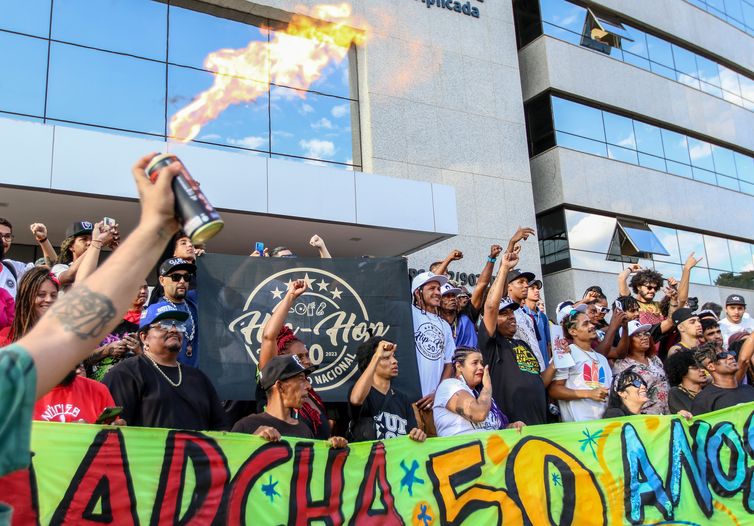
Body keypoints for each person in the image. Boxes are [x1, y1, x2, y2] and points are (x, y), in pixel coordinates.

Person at [0, 152, 185, 487]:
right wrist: (154, 228)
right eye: (41, 297)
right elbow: (77, 324)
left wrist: (157, 227)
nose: (49, 303)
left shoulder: (91, 390)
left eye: (53, 297)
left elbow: (77, 323)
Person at [103, 302, 227, 431]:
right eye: (165, 325)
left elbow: (220, 427)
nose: (174, 330)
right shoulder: (124, 374)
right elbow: (112, 430)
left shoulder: (199, 378)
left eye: (179, 325)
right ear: (144, 337)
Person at [480, 250, 555, 425]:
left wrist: (556, 361)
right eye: (503, 314)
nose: (511, 316)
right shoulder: (491, 344)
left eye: (512, 312)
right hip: (513, 426)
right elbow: (490, 307)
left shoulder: (523, 344)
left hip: (540, 424)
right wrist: (504, 268)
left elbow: (540, 380)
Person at [257, 279, 331, 439]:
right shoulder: (272, 377)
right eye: (299, 357)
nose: (306, 360)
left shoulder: (310, 394)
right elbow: (269, 337)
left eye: (306, 355)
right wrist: (291, 296)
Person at [232, 355, 348, 447]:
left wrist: (331, 451)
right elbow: (229, 468)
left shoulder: (304, 430)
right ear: (280, 386)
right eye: (301, 379)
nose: (308, 386)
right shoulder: (246, 426)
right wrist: (252, 442)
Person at [433, 347, 524, 436]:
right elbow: (479, 414)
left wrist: (512, 426)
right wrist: (487, 387)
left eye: (482, 363)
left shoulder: (482, 396)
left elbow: (495, 428)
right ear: (459, 366)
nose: (481, 367)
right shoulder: (449, 386)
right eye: (475, 363)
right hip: (463, 449)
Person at [348, 338, 425, 441]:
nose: (394, 361)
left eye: (393, 357)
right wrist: (378, 355)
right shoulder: (360, 392)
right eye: (386, 358)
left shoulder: (403, 399)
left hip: (397, 456)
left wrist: (418, 435)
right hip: (369, 456)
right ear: (371, 362)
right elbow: (356, 399)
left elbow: (412, 434)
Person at [549, 308, 613, 422]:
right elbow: (554, 390)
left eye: (590, 322)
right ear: (573, 332)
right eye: (585, 324)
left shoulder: (602, 359)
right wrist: (589, 394)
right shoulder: (566, 353)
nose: (592, 326)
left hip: (604, 424)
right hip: (579, 429)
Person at [411, 271, 455, 412]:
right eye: (431, 288)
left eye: (438, 288)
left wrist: (438, 393)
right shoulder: (408, 313)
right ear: (418, 293)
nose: (437, 292)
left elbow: (449, 363)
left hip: (433, 402)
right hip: (409, 399)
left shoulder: (445, 325)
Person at [85, 283, 147, 381]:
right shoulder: (91, 329)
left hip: (128, 386)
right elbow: (83, 360)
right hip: (97, 387)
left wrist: (137, 350)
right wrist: (108, 349)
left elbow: (151, 363)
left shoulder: (138, 329)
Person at [612, 321, 670, 414]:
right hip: (646, 418)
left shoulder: (654, 359)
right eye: (637, 335)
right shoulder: (622, 365)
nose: (644, 337)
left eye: (646, 334)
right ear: (627, 340)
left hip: (667, 415)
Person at [34, 367, 122, 424]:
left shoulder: (98, 390)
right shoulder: (23, 392)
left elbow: (111, 443)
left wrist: (118, 432)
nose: (78, 370)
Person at [154, 258, 199, 367]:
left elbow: (221, 290)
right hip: (172, 376)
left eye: (187, 277)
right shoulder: (155, 311)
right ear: (162, 280)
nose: (182, 281)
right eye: (176, 277)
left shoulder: (193, 300)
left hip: (198, 375)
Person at [0, 268, 59, 347]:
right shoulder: (6, 336)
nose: (49, 300)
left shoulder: (64, 336)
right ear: (26, 298)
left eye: (53, 295)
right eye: (41, 294)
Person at [0, 220, 57, 299]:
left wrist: (43, 239)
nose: (3, 241)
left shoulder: (13, 268)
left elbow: (52, 266)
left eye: (7, 236)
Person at [691, 344, 754, 414]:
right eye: (723, 355)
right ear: (711, 367)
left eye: (730, 353)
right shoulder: (704, 400)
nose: (731, 357)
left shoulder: (750, 389)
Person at [52, 221, 115, 286]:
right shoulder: (59, 268)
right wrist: (97, 243)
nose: (90, 242)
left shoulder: (98, 272)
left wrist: (116, 248)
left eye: (92, 239)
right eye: (84, 239)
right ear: (71, 246)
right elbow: (69, 276)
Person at [664, 349, 708, 413]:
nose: (702, 370)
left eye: (702, 367)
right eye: (695, 368)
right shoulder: (676, 392)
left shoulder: (709, 388)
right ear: (682, 370)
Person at [438, 282, 477, 348]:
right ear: (439, 300)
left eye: (453, 295)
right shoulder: (435, 321)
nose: (452, 298)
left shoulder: (466, 318)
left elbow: (481, 286)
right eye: (447, 296)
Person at [522, 279, 551, 363]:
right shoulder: (521, 314)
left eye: (537, 288)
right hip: (530, 365)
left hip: (545, 364)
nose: (537, 290)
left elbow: (548, 343)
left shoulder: (543, 316)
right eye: (532, 288)